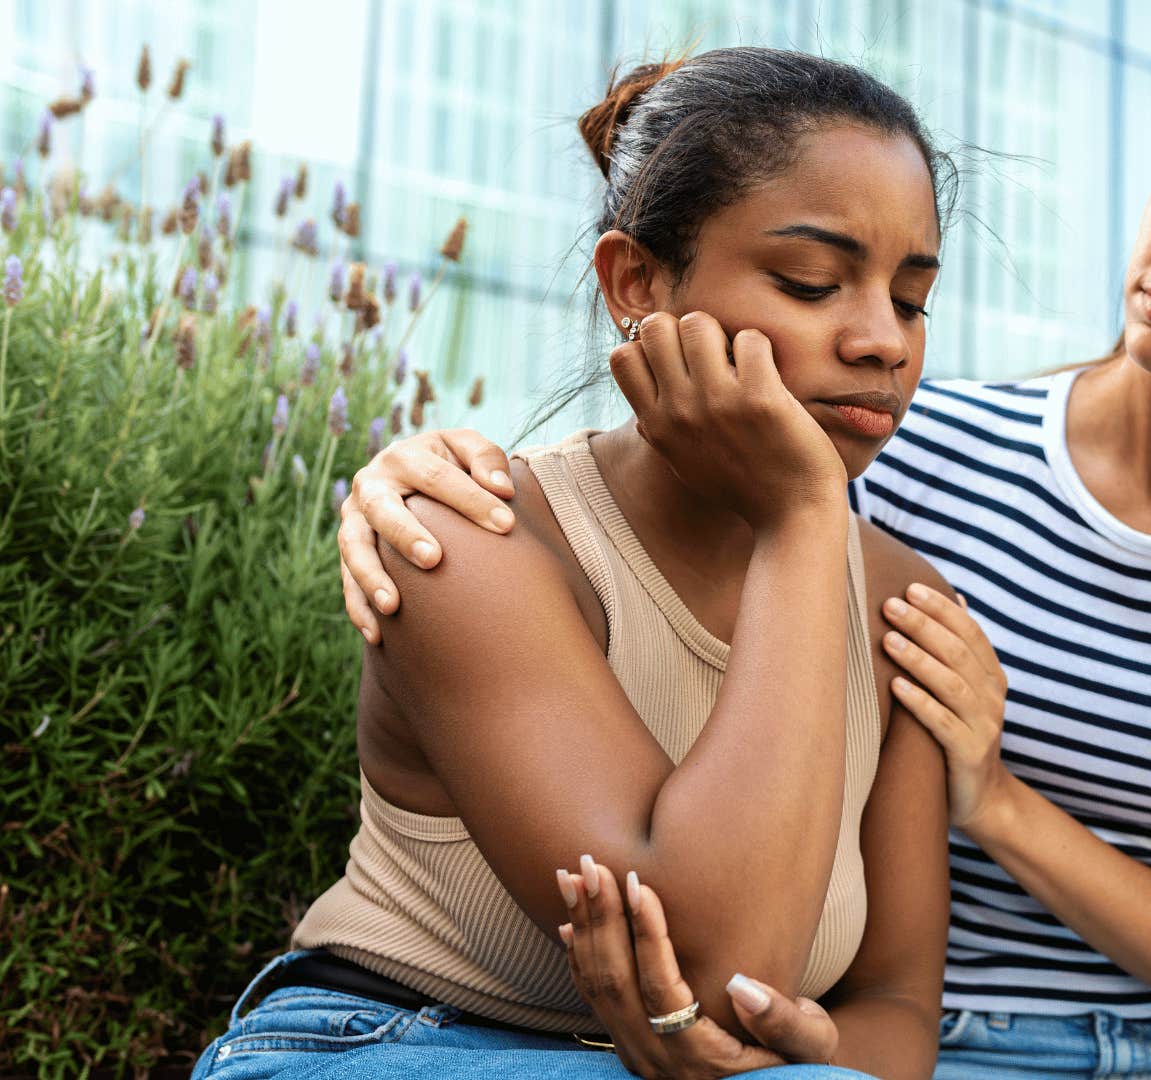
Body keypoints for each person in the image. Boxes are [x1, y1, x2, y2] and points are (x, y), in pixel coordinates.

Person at [336, 12, 1151, 1078]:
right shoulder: (895, 451)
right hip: (954, 1042)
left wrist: (995, 796)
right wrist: (405, 473)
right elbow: (669, 478)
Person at [196, 47, 969, 1080]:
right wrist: (800, 516)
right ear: (636, 283)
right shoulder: (469, 537)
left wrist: (797, 1051)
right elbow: (712, 961)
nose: (883, 341)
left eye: (912, 300)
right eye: (813, 282)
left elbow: (897, 1014)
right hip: (387, 1045)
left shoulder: (901, 605)